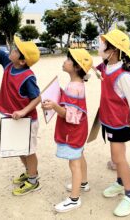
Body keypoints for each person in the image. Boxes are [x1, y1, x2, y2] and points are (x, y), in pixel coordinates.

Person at [0, 26, 41, 196]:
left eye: (16, 50)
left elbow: (37, 98)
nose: (11, 49)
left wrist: (23, 111)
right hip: (12, 117)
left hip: (26, 120)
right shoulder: (8, 62)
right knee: (18, 148)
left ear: (22, 60)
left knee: (28, 150)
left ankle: (33, 180)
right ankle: (28, 172)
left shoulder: (28, 76)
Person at [97, 29, 130, 217]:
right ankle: (120, 182)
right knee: (116, 154)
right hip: (108, 119)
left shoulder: (122, 74)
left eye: (104, 43)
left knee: (118, 158)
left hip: (119, 122)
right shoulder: (107, 66)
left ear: (113, 50)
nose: (100, 46)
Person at [42, 48, 92, 213]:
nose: (65, 61)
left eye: (69, 59)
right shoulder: (76, 84)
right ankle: (83, 182)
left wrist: (55, 106)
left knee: (74, 163)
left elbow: (70, 115)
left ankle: (74, 199)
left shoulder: (73, 87)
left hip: (73, 130)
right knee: (80, 154)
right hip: (81, 128)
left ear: (77, 67)